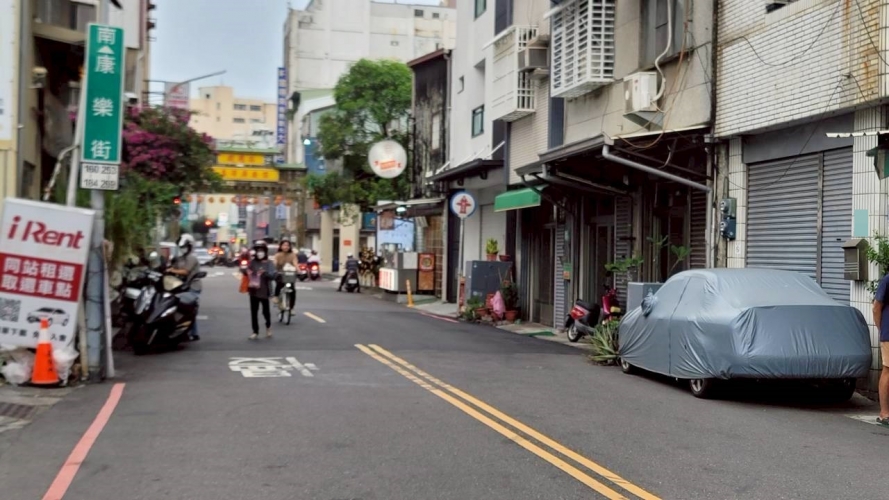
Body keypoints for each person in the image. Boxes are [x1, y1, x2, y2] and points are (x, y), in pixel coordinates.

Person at [168, 234, 202, 341]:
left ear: (189, 247)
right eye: (181, 247)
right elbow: (172, 267)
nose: (182, 249)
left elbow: (185, 271)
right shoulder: (180, 258)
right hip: (180, 286)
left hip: (192, 287)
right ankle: (185, 332)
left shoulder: (191, 258)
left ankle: (193, 333)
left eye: (184, 247)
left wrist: (172, 270)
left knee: (188, 309)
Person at [242, 240, 275, 340]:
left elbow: (272, 275)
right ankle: (255, 331)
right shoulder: (252, 262)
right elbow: (246, 271)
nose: (260, 253)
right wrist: (245, 271)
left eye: (262, 250)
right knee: (254, 312)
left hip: (265, 291)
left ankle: (268, 326)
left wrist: (265, 273)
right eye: (258, 251)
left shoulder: (269, 263)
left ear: (265, 252)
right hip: (253, 290)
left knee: (265, 311)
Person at [873, 273, 889, 426]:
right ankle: (884, 413)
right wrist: (881, 329)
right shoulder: (887, 280)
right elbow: (876, 307)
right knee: (888, 370)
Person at [272, 239, 298, 304]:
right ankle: (276, 296)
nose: (286, 247)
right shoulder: (278, 255)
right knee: (279, 284)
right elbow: (275, 263)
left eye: (287, 245)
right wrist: (273, 269)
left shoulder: (292, 255)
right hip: (280, 273)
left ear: (289, 247)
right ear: (281, 246)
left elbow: (295, 263)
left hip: (289, 274)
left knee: (292, 289)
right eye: (284, 245)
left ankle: (291, 306)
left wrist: (298, 270)